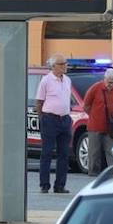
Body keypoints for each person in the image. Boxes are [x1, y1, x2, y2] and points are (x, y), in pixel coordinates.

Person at [34, 54, 73, 192]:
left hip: (65, 119)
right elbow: (39, 102)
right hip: (50, 119)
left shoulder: (67, 80)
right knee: (47, 152)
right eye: (62, 64)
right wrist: (43, 118)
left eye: (65, 63)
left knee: (64, 154)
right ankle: (44, 185)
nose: (65, 66)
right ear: (54, 66)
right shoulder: (46, 80)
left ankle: (60, 185)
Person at [81, 68, 113, 175]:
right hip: (95, 126)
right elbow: (86, 105)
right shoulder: (95, 88)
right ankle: (93, 173)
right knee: (94, 152)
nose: (111, 85)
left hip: (110, 127)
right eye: (109, 82)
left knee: (111, 151)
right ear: (105, 79)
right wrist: (94, 115)